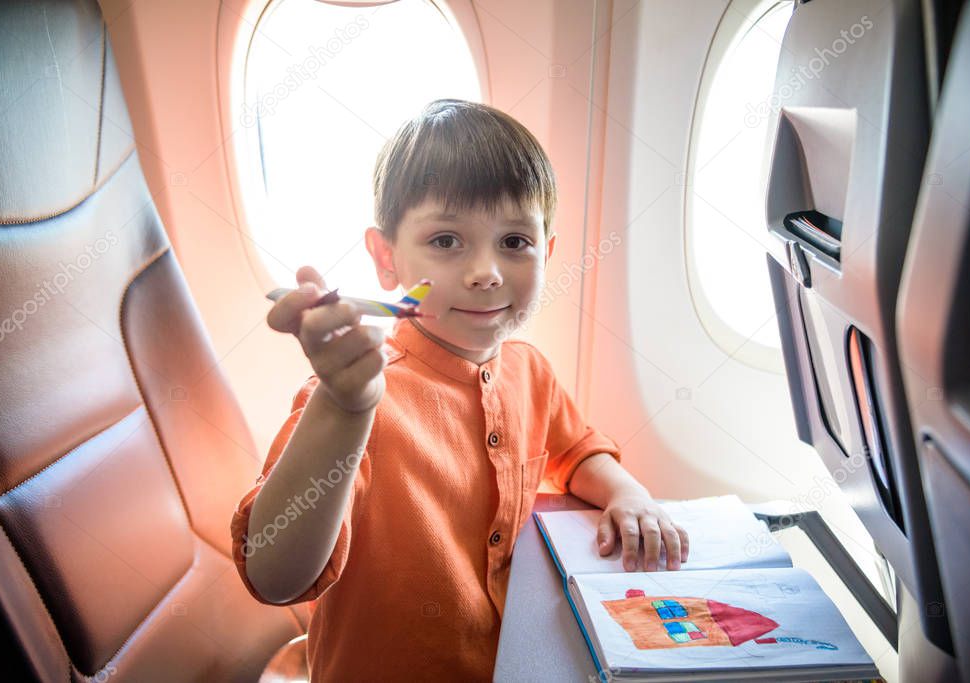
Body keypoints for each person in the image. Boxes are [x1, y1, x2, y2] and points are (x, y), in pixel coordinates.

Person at [230, 99, 689, 681]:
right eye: (447, 241)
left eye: (515, 241)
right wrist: (344, 409)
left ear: (546, 251)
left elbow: (577, 454)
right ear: (386, 259)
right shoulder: (354, 397)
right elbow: (275, 575)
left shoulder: (530, 371)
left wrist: (628, 493)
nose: (486, 271)